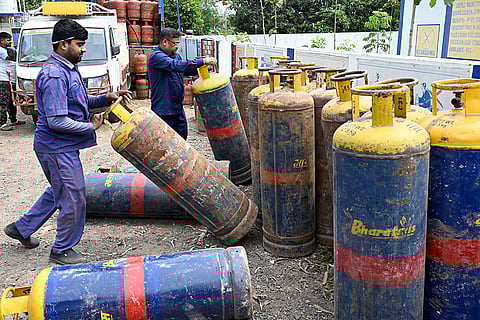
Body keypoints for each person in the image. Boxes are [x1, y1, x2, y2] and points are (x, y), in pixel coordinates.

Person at [3, 19, 131, 265]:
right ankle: (62, 249)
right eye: (79, 45)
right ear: (63, 45)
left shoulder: (68, 69)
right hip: (56, 147)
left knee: (59, 191)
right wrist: (90, 126)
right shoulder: (53, 75)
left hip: (61, 146)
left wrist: (105, 97)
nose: (83, 49)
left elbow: (78, 102)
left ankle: (21, 228)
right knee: (73, 196)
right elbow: (56, 121)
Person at [148, 27, 216, 139]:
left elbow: (184, 69)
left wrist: (202, 68)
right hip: (163, 110)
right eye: (175, 43)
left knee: (182, 138)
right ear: (165, 42)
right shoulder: (156, 57)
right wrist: (202, 60)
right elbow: (175, 65)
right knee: (166, 142)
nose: (178, 47)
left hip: (177, 107)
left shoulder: (175, 56)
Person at [0, 32, 23, 131]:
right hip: (2, 79)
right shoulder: (1, 50)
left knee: (10, 101)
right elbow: (10, 58)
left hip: (7, 79)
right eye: (8, 40)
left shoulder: (5, 49)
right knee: (3, 101)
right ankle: (2, 123)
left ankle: (13, 119)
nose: (10, 42)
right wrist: (21, 57)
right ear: (1, 41)